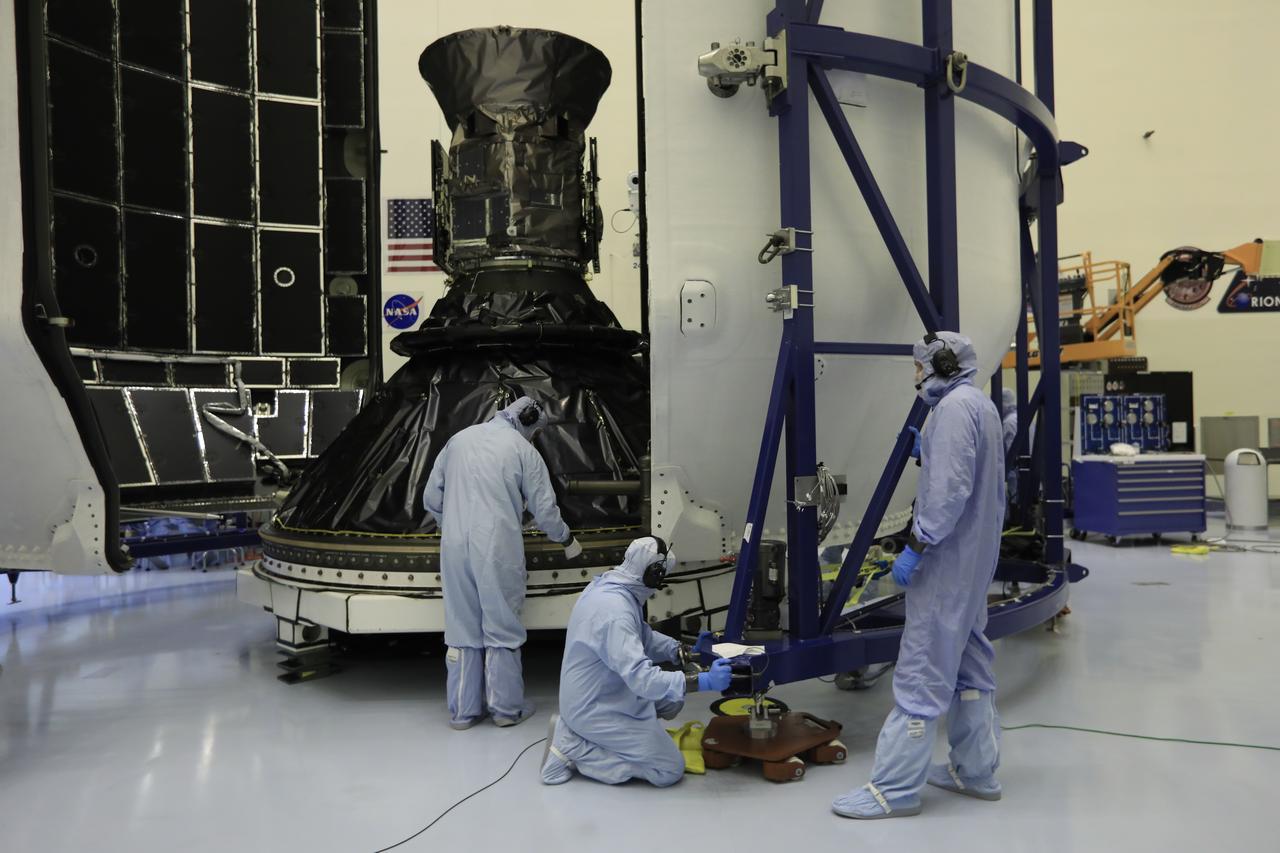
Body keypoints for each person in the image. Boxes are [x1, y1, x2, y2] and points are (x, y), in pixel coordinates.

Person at [832, 331, 1006, 819]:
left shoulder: (950, 411)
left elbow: (948, 494)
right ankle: (976, 773)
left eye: (918, 367)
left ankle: (894, 789)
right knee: (970, 663)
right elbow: (977, 476)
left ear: (942, 364)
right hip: (975, 561)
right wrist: (929, 452)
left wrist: (916, 545)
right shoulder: (979, 405)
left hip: (947, 562)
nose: (915, 377)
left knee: (923, 668)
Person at [423, 396, 582, 730]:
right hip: (496, 546)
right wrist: (566, 539)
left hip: (453, 546)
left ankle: (463, 713)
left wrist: (450, 521)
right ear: (530, 422)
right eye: (536, 433)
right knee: (501, 627)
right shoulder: (524, 451)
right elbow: (546, 511)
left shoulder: (459, 440)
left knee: (461, 627)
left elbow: (430, 498)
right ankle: (505, 710)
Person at [540, 536, 734, 787]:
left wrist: (681, 651)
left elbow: (643, 637)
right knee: (668, 769)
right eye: (660, 577)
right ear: (652, 575)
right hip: (595, 708)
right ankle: (573, 746)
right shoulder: (615, 612)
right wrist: (703, 681)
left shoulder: (611, 587)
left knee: (672, 701)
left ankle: (603, 733)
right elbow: (642, 679)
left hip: (602, 691)